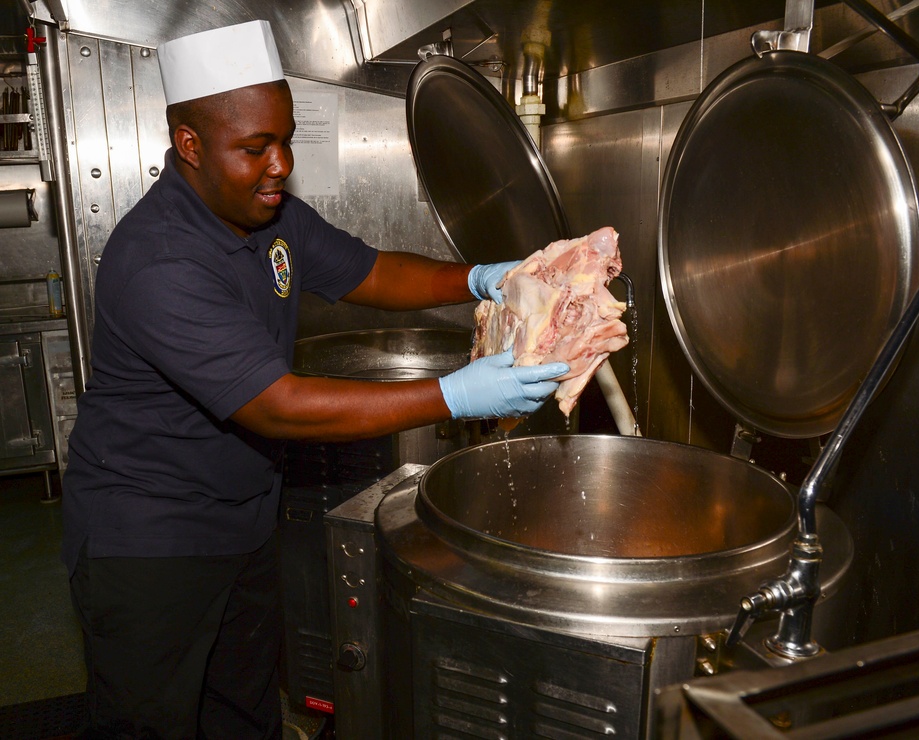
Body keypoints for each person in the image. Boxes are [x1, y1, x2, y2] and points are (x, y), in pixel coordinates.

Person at [61, 20, 568, 740]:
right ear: (190, 145)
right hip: (150, 541)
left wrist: (487, 280)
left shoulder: (270, 217)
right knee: (150, 723)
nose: (279, 165)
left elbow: (370, 271)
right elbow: (278, 406)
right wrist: (454, 393)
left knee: (241, 708)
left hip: (240, 515)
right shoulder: (160, 261)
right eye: (254, 148)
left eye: (286, 139)